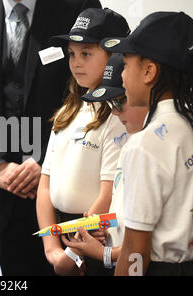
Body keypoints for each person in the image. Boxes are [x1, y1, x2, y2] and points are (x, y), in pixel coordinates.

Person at [0, 0, 101, 276]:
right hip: (5, 204)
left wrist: (46, 161)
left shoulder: (77, 9)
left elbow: (93, 94)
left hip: (71, 205)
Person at [99, 11, 193, 276]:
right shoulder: (192, 129)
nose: (122, 76)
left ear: (149, 71)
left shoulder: (145, 144)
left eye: (126, 65)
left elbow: (136, 251)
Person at [36, 8, 130, 275]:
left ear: (114, 56)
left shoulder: (119, 116)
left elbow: (107, 194)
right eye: (72, 54)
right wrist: (52, 249)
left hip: (98, 239)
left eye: (86, 53)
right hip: (67, 238)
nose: (76, 62)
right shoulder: (67, 112)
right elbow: (45, 187)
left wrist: (74, 252)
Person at [61, 53, 148, 276]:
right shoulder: (133, 144)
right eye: (110, 103)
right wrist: (101, 233)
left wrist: (103, 254)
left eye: (120, 100)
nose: (115, 111)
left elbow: (146, 247)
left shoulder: (148, 150)